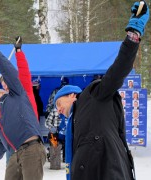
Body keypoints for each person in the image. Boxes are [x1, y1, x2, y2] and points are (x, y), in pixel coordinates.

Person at [53, 2, 149, 179]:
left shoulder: (93, 95)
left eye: (59, 103)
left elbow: (117, 71)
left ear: (72, 95)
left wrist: (133, 36)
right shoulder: (74, 123)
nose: (58, 110)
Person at [0, 39, 46, 180]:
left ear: (2, 93)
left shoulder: (17, 94)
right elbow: (2, 142)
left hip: (31, 146)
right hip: (15, 152)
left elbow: (9, 70)